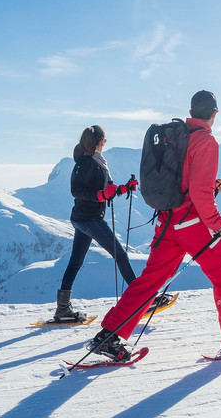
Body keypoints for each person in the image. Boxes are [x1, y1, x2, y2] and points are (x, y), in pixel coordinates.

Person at [86, 90, 221, 360]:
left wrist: (210, 189)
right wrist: (218, 224)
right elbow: (199, 194)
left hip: (167, 221)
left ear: (191, 113)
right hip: (194, 224)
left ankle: (109, 336)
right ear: (215, 114)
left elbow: (185, 184)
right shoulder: (205, 141)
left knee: (150, 280)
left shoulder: (176, 137)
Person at [52, 125, 168, 323]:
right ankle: (141, 301)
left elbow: (106, 190)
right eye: (104, 140)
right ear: (97, 141)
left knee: (75, 262)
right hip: (89, 219)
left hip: (83, 218)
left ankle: (63, 309)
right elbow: (77, 190)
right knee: (121, 255)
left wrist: (124, 188)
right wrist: (100, 195)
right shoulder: (87, 162)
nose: (105, 143)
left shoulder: (95, 161)